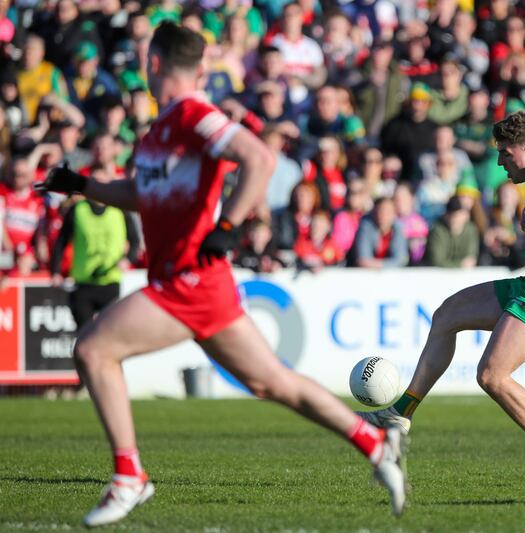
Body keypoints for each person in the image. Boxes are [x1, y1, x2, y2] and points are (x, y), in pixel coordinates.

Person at [34, 22, 406, 528]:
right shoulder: (161, 129)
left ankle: (129, 476)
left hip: (188, 279)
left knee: (93, 349)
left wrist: (228, 225)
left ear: (156, 63)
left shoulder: (193, 115)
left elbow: (258, 157)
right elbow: (141, 196)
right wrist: (80, 184)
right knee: (272, 381)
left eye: (146, 59)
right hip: (195, 283)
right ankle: (374, 442)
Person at [359, 112, 525, 487]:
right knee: (446, 314)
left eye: (505, 153)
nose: (500, 162)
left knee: (491, 375)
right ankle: (401, 413)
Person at [50, 165, 140, 328]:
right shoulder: (78, 210)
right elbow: (61, 241)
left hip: (110, 281)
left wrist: (128, 259)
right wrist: (55, 271)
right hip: (83, 281)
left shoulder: (119, 209)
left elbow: (135, 240)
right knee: (84, 334)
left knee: (109, 332)